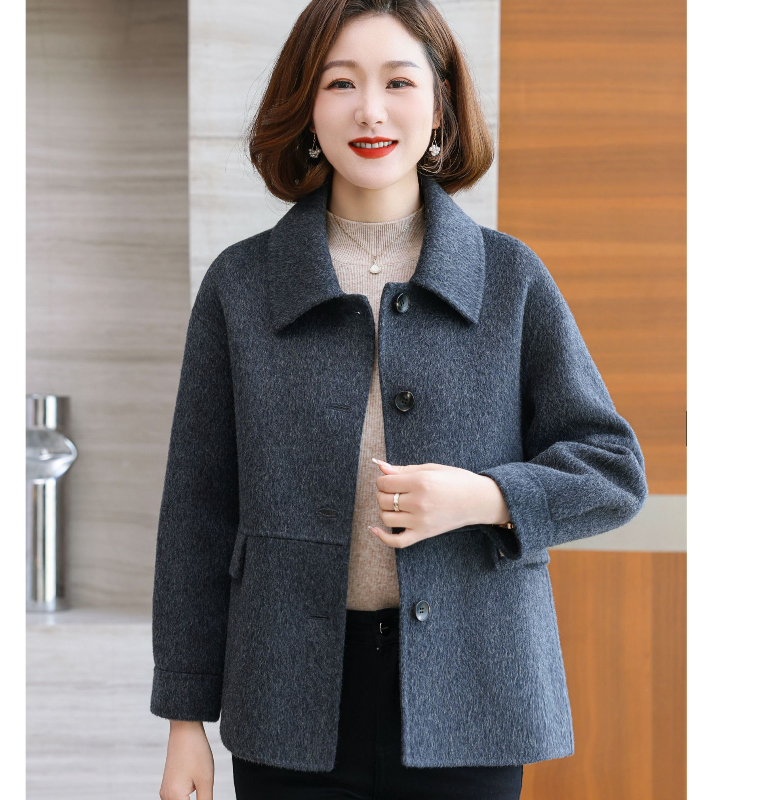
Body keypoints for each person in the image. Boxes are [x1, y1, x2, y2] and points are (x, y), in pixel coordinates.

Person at [150, 1, 648, 799]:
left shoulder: (510, 278)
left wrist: (485, 497)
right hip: (286, 698)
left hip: (473, 699)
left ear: (440, 106)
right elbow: (196, 513)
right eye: (340, 83)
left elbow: (613, 470)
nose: (371, 111)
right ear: (307, 108)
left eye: (398, 82)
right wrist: (185, 721)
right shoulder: (240, 285)